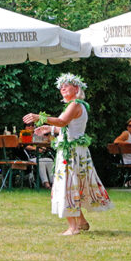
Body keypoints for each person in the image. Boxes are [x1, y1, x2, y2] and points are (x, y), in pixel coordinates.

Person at [23, 73, 113, 236]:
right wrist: (49, 129)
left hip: (70, 152)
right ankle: (82, 221)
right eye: (61, 86)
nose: (62, 87)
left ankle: (73, 228)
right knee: (74, 184)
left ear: (76, 88)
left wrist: (40, 118)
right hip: (77, 151)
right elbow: (67, 128)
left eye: (67, 85)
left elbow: (62, 122)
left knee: (65, 184)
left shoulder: (75, 105)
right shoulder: (77, 106)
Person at [23, 123, 54, 189]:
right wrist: (36, 149)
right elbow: (26, 146)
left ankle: (53, 182)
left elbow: (42, 143)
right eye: (28, 125)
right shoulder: (25, 134)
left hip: (40, 156)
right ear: (25, 127)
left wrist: (43, 147)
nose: (31, 127)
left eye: (32, 125)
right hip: (31, 157)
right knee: (41, 163)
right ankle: (46, 184)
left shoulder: (36, 135)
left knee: (50, 161)